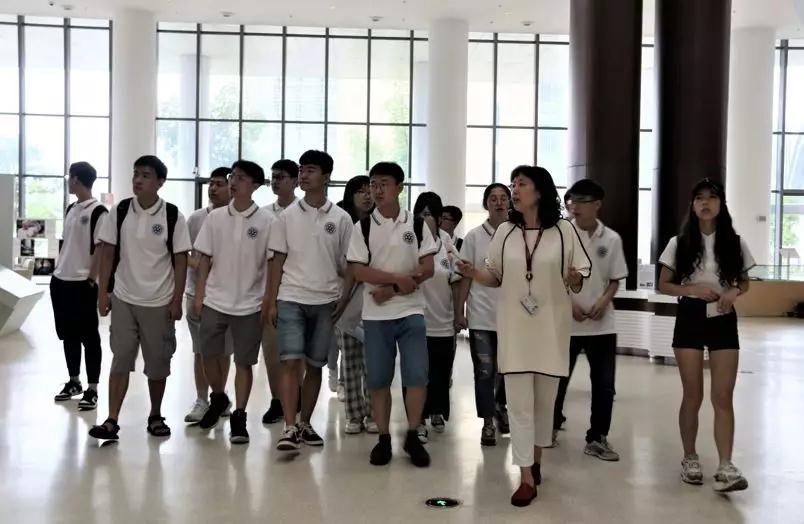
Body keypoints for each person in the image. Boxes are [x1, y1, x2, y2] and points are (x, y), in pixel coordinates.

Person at [456, 165, 590, 506]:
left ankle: (536, 460)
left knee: (544, 404)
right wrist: (474, 273)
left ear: (539, 191)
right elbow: (495, 276)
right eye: (513, 184)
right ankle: (526, 476)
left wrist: (574, 278)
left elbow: (579, 275)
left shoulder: (564, 231)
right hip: (514, 329)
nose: (514, 190)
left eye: (521, 184)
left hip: (551, 330)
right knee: (518, 405)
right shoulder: (505, 232)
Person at [657, 178, 754, 493]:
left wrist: (733, 292)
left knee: (723, 396)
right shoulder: (679, 242)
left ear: (721, 204)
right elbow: (664, 285)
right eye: (699, 198)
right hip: (690, 316)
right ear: (693, 205)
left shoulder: (735, 242)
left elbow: (744, 282)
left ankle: (726, 465)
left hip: (723, 317)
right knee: (693, 394)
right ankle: (690, 458)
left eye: (711, 197)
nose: (705, 203)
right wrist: (692, 289)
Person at [89, 155, 192, 441]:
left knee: (158, 363)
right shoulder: (120, 211)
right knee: (120, 358)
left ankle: (155, 415)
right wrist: (102, 292)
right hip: (124, 297)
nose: (138, 180)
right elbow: (107, 253)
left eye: (146, 175)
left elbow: (181, 260)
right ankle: (111, 420)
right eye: (136, 174)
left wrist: (177, 300)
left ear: (160, 182)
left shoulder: (172, 215)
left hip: (159, 302)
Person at [347, 161, 437, 468]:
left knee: (417, 375)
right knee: (378, 379)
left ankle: (412, 435)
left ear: (399, 187)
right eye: (373, 184)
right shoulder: (363, 227)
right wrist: (396, 279)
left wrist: (392, 289)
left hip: (411, 311)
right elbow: (358, 271)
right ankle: (384, 438)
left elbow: (428, 268)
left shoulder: (417, 225)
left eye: (384, 184)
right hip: (375, 316)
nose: (377, 190)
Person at [266, 150, 353, 451]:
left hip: (326, 301)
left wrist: (344, 299)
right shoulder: (285, 216)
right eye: (302, 170)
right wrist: (271, 301)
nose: (303, 175)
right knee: (290, 362)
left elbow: (349, 264)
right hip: (291, 296)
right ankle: (289, 427)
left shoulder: (341, 218)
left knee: (315, 365)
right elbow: (277, 260)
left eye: (311, 170)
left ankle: (305, 423)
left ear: (326, 177)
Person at [192, 160, 273, 444]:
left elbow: (272, 264)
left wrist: (268, 299)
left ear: (255, 185)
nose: (233, 182)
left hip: (250, 303)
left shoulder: (267, 221)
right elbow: (203, 259)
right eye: (232, 177)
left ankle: (239, 415)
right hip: (215, 299)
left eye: (240, 178)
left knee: (244, 362)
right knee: (207, 353)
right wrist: (199, 295)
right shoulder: (215, 218)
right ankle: (218, 396)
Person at [552, 179, 627, 461]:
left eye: (582, 201)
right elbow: (552, 277)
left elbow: (615, 279)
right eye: (572, 200)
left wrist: (603, 302)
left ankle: (597, 438)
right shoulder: (561, 236)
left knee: (604, 385)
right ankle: (550, 427)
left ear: (597, 204)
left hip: (602, 326)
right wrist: (569, 304)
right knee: (558, 379)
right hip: (566, 323)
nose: (575, 206)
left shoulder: (611, 239)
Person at [454, 182, 511, 447]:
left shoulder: (518, 234)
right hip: (482, 316)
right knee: (485, 371)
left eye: (503, 198)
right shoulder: (474, 237)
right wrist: (459, 311)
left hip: (513, 318)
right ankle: (487, 422)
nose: (499, 202)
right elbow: (465, 277)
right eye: (493, 198)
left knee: (507, 370)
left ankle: (500, 407)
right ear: (486, 204)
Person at [51, 161, 108, 410]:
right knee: (68, 335)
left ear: (76, 179)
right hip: (60, 281)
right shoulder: (71, 208)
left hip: (82, 283)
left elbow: (101, 249)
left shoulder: (99, 212)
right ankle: (74, 381)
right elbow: (67, 244)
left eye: (69, 177)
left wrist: (91, 280)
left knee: (89, 337)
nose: (68, 181)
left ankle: (92, 388)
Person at [183, 167, 234, 424]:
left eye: (219, 184)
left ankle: (219, 397)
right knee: (201, 351)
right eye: (211, 184)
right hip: (196, 294)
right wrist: (201, 265)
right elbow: (184, 253)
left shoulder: (237, 219)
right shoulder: (195, 219)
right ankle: (202, 399)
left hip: (228, 297)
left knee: (224, 351)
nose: (213, 188)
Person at [412, 192, 461, 441]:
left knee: (441, 373)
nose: (424, 218)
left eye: (429, 214)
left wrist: (459, 314)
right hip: (416, 320)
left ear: (439, 218)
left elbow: (457, 278)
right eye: (421, 213)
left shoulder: (446, 242)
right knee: (417, 374)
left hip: (443, 320)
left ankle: (436, 411)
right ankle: (417, 420)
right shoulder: (409, 239)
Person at [336, 175, 377, 434]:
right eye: (360, 191)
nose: (367, 196)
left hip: (376, 300)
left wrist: (365, 273)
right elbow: (338, 263)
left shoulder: (379, 224)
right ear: (350, 196)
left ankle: (373, 413)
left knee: (374, 362)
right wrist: (359, 273)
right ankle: (354, 415)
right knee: (350, 361)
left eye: (369, 190)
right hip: (348, 300)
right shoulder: (343, 224)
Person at [260, 159, 300, 425]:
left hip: (298, 290)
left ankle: (296, 399)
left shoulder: (304, 212)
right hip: (268, 291)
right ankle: (277, 400)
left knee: (298, 354)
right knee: (272, 351)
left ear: (295, 181)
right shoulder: (263, 215)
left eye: (281, 177)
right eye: (273, 177)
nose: (275, 181)